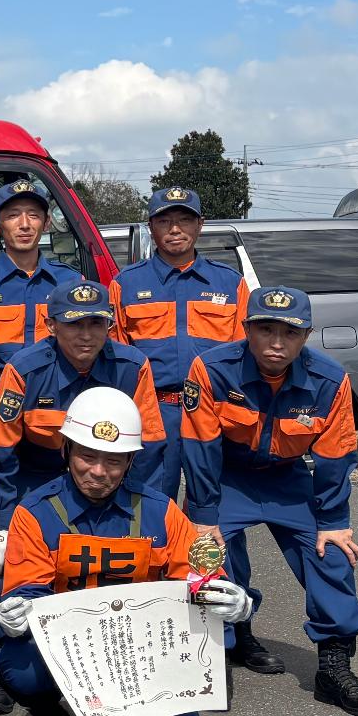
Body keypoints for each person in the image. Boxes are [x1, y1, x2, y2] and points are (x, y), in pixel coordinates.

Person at [0, 388, 251, 716]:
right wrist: (18, 612)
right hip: (69, 656)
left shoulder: (161, 512)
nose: (99, 471)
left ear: (131, 460)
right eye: (87, 456)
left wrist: (231, 602)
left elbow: (200, 581)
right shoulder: (35, 512)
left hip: (142, 664)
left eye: (114, 460)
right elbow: (29, 588)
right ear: (66, 450)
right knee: (19, 662)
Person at [180, 286, 358, 716]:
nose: (277, 342)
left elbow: (336, 455)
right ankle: (232, 640)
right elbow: (200, 445)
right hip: (227, 477)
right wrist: (202, 514)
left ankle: (334, 665)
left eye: (289, 333)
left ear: (306, 335)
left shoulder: (330, 380)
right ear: (246, 330)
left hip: (288, 479)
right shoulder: (213, 369)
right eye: (265, 329)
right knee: (206, 554)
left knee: (331, 554)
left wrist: (333, 519)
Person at [0, 283, 166, 714]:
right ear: (51, 326)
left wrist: (143, 509)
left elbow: (151, 445)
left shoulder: (132, 366)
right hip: (35, 471)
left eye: (96, 323)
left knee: (123, 551)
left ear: (109, 325)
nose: (86, 334)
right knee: (2, 559)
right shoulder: (24, 369)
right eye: (73, 324)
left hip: (108, 473)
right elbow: (3, 450)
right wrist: (6, 521)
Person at [108, 187, 248, 502]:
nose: (175, 229)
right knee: (150, 503)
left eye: (185, 220)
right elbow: (115, 357)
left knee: (213, 504)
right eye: (164, 221)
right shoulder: (125, 285)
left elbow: (244, 355)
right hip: (154, 411)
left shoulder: (230, 283)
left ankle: (208, 552)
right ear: (150, 227)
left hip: (213, 411)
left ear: (200, 225)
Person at [0, 179, 80, 398]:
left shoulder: (71, 281)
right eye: (12, 215)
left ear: (47, 223)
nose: (24, 224)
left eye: (33, 215)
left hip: (58, 402)